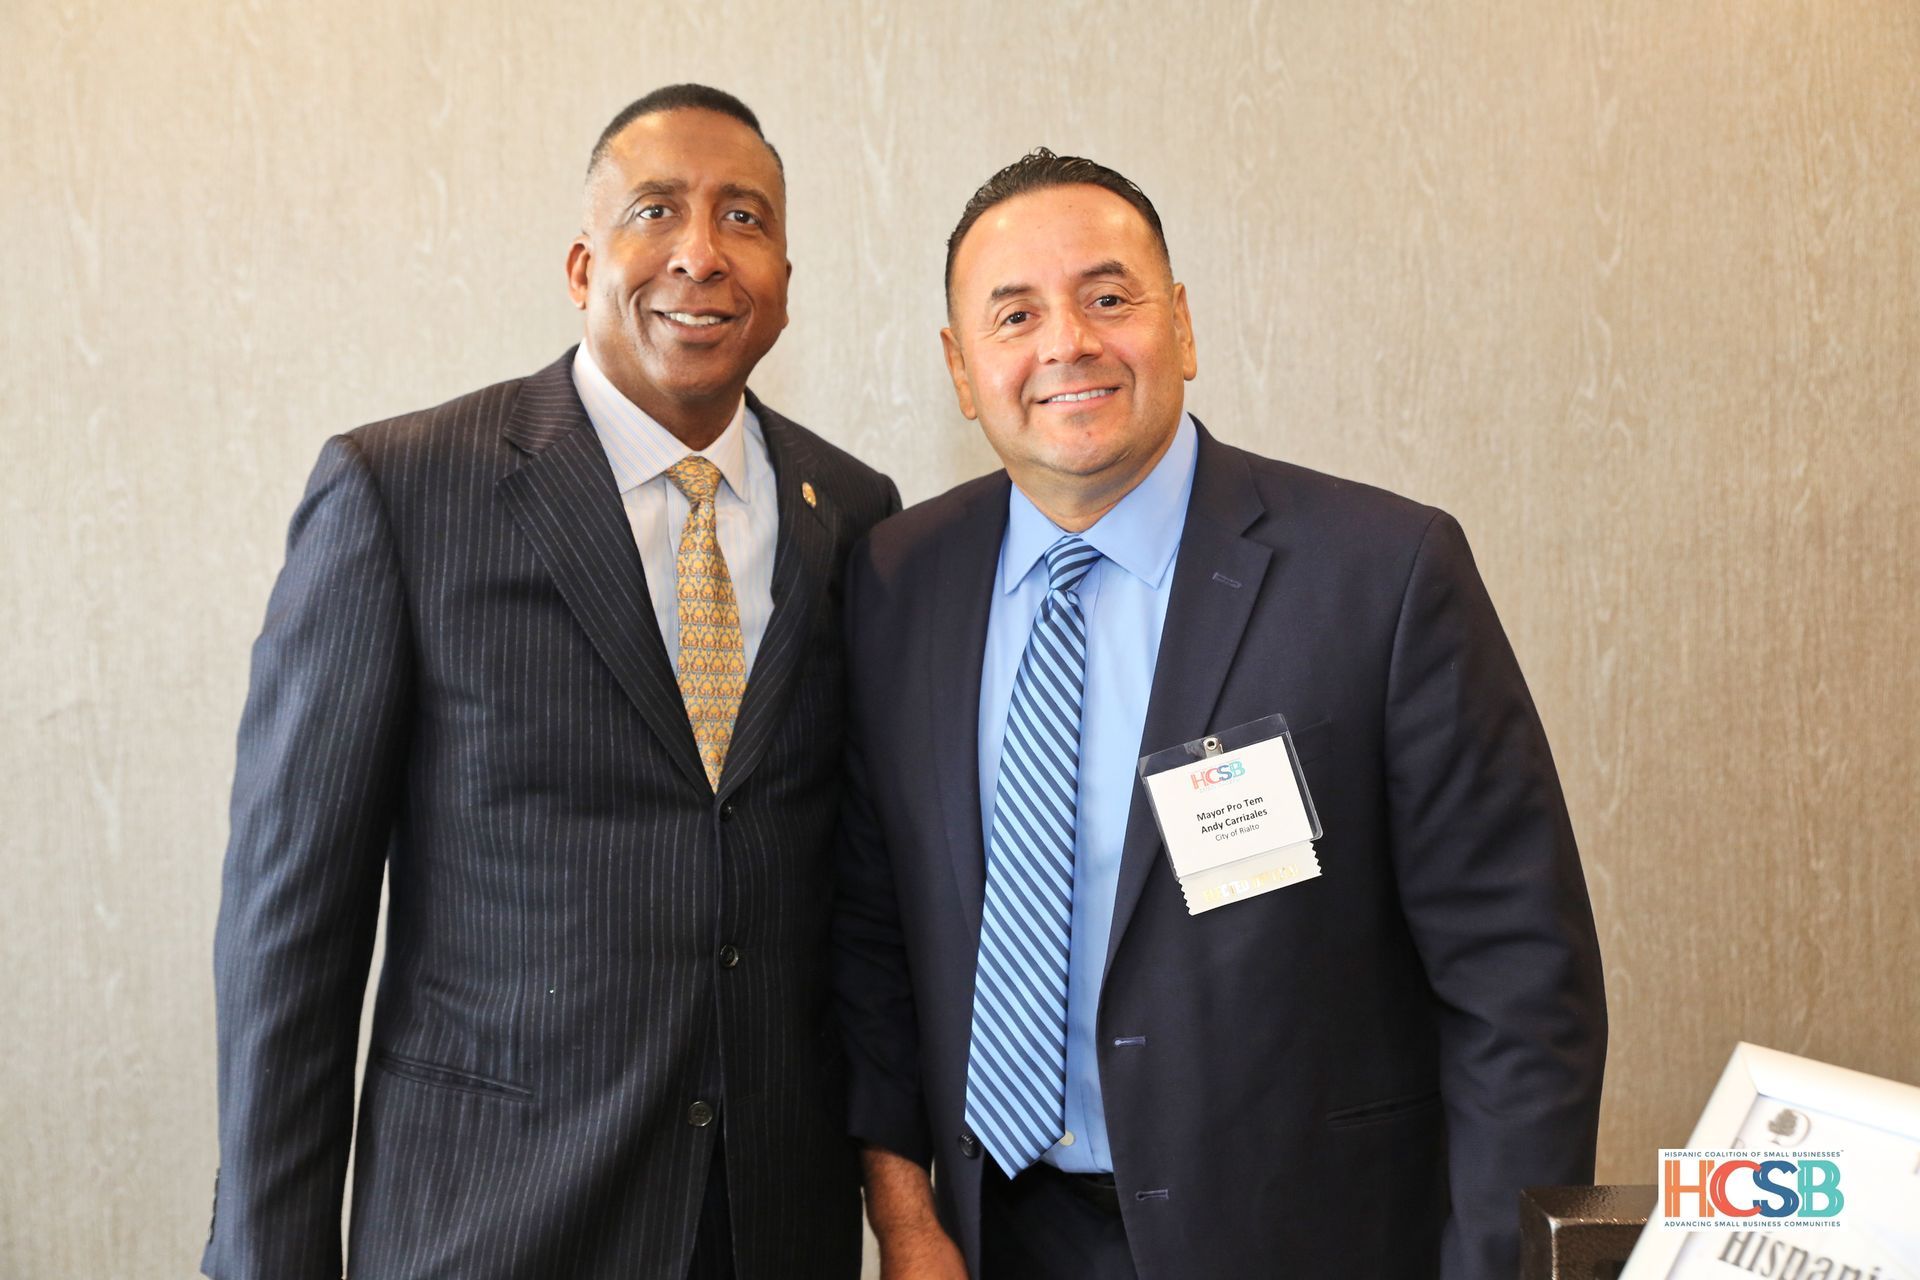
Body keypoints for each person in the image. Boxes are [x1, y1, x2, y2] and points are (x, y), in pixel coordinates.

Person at [835, 149, 1607, 1280]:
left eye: (1108, 297)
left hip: (1309, 1239)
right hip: (1004, 1238)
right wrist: (909, 1223)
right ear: (962, 368)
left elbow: (1519, 982)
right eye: (1015, 314)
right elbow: (872, 939)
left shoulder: (1381, 575)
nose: (1067, 342)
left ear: (1181, 327)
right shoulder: (900, 580)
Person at [205, 85, 896, 1280]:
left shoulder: (857, 515)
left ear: (783, 275)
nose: (700, 251)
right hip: (491, 1216)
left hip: (772, 1225)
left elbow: (856, 896)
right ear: (584, 263)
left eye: (744, 217)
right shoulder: (402, 491)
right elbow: (291, 932)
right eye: (655, 210)